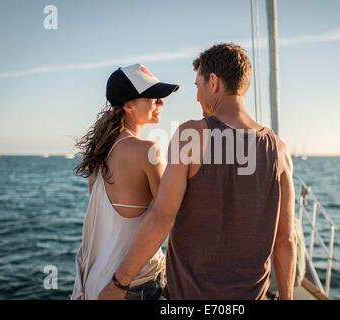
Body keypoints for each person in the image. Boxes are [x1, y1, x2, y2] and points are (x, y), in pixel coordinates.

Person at [98, 43, 297, 300]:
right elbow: (286, 241)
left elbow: (161, 218)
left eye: (197, 86)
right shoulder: (279, 150)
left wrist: (119, 283)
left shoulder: (191, 135)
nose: (197, 97)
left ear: (213, 82)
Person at [70, 64, 179, 300]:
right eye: (153, 97)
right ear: (128, 106)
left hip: (96, 282)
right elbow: (169, 218)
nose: (161, 103)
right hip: (131, 287)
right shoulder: (148, 151)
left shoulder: (99, 154)